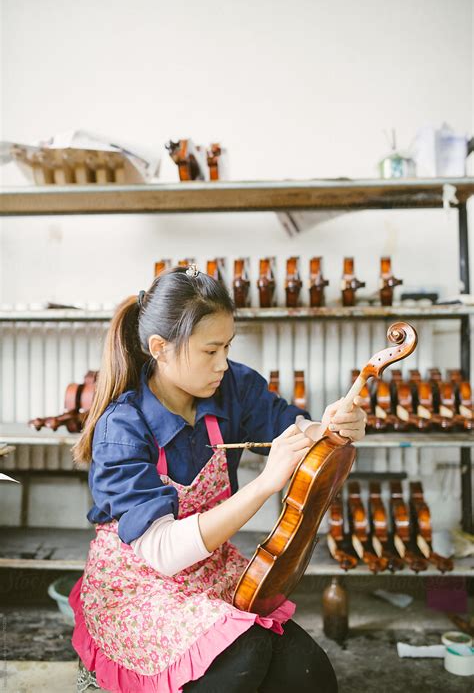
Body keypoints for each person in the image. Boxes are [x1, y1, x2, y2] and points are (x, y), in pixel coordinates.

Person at [68, 264, 366, 693]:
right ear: (160, 348)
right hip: (141, 588)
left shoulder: (232, 386)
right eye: (210, 351)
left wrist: (335, 427)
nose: (223, 363)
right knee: (244, 657)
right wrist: (266, 483)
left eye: (227, 346)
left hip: (207, 572)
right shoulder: (123, 427)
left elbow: (295, 429)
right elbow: (165, 553)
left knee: (310, 674)